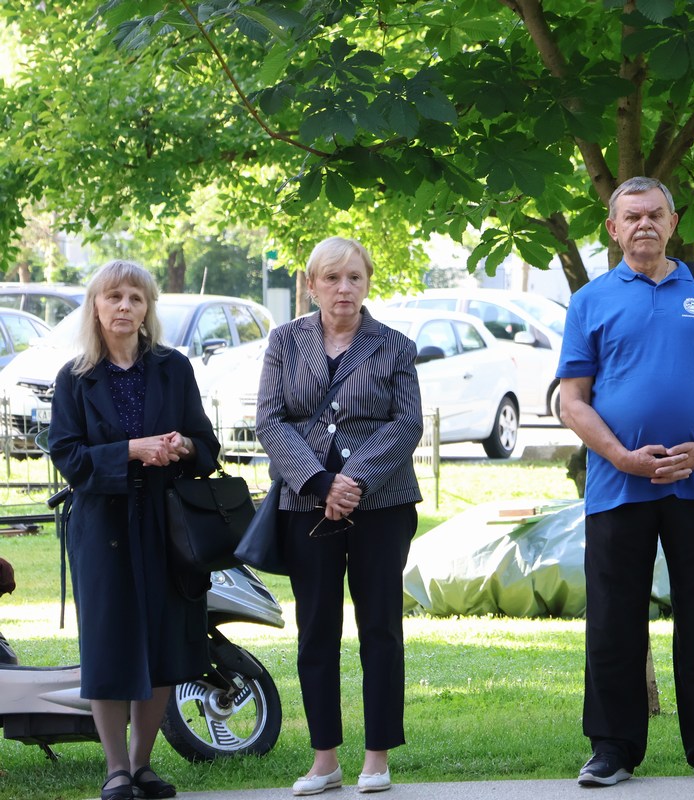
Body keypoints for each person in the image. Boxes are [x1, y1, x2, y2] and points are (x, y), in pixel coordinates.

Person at [556, 176, 694, 787]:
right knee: (613, 619)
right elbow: (573, 401)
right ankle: (612, 749)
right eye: (632, 216)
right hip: (618, 485)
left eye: (655, 215)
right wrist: (623, 457)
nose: (644, 224)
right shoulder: (590, 300)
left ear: (673, 223)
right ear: (613, 229)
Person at [255, 236, 423, 796]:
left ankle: (377, 758)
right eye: (331, 278)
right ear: (312, 285)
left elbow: (407, 424)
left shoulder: (395, 346)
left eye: (354, 277)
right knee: (316, 631)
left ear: (368, 282)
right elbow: (270, 420)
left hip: (382, 505)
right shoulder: (284, 342)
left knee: (380, 628)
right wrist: (321, 481)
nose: (343, 288)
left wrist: (354, 480)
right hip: (306, 504)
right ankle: (324, 759)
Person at [48, 260, 221, 800]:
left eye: (136, 298)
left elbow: (206, 445)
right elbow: (67, 456)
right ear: (96, 306)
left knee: (164, 642)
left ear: (147, 309)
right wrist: (131, 450)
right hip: (103, 527)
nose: (125, 306)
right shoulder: (75, 377)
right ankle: (116, 769)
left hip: (167, 526)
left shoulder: (173, 367)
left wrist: (183, 446)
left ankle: (143, 765)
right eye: (114, 296)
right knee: (109, 644)